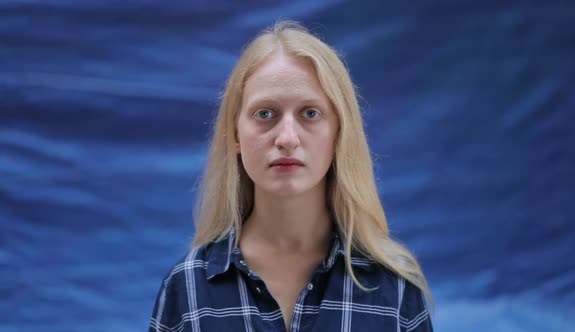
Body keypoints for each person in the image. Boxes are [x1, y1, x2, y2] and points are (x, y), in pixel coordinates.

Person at [149, 20, 433, 332]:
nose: (287, 138)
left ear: (339, 134)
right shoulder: (187, 288)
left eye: (310, 113)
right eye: (265, 114)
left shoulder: (394, 287)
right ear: (235, 134)